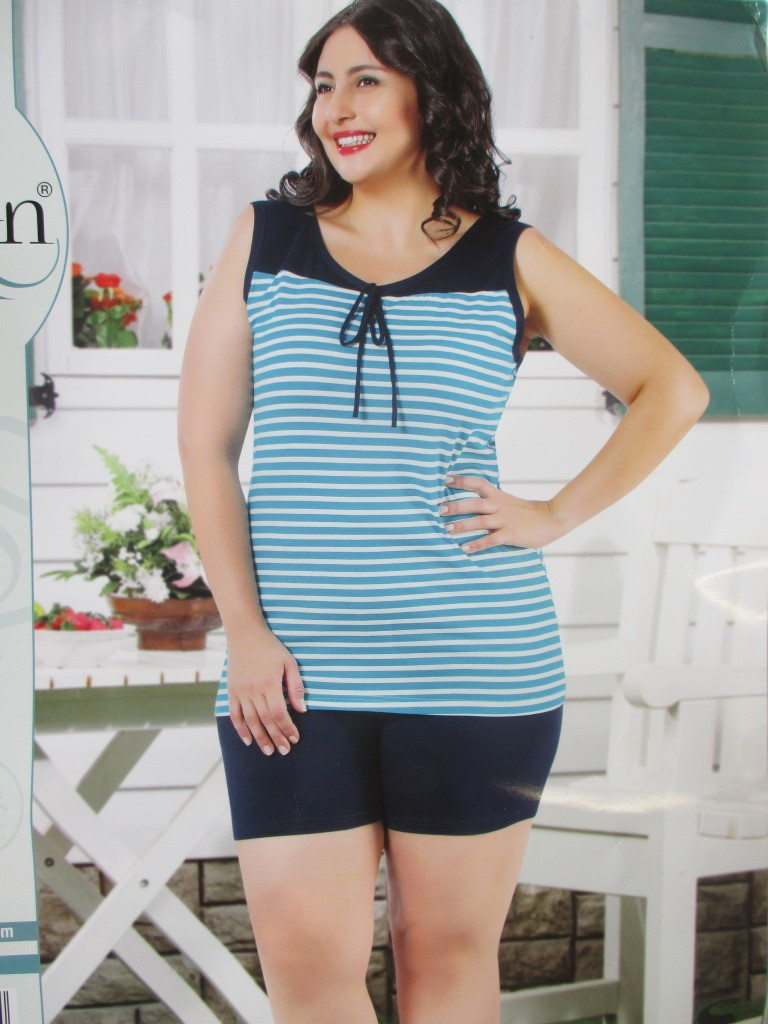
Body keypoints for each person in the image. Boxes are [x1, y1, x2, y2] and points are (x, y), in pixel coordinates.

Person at [177, 1, 709, 1021]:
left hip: (478, 664)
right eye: (323, 86)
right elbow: (206, 448)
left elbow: (672, 388)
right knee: (308, 965)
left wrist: (552, 514)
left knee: (447, 954)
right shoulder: (266, 238)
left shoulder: (507, 254)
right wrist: (243, 630)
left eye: (366, 80)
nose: (338, 107)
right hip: (292, 673)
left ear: (434, 91)